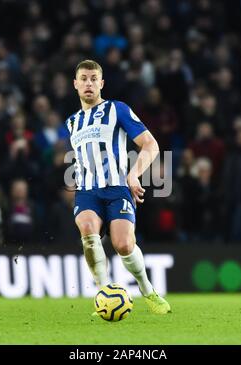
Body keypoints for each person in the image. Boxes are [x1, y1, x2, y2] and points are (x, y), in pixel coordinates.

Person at [65, 59, 171, 314]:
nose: (88, 83)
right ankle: (104, 293)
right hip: (88, 191)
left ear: (101, 83)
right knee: (88, 231)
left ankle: (147, 289)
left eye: (93, 79)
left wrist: (134, 175)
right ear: (75, 84)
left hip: (117, 188)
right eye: (84, 79)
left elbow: (150, 145)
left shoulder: (118, 109)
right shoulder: (72, 122)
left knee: (123, 244)